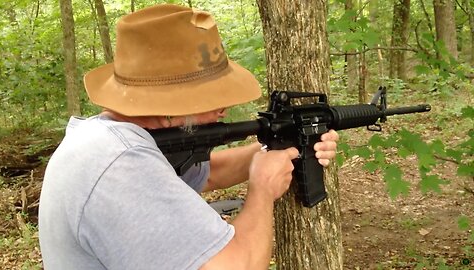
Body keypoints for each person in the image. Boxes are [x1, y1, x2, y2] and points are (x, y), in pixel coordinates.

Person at [38, 4, 339, 270]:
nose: (224, 108)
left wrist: (279, 144)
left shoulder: (106, 141)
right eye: (212, 98)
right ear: (168, 105)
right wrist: (262, 191)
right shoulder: (121, 164)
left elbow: (208, 174)